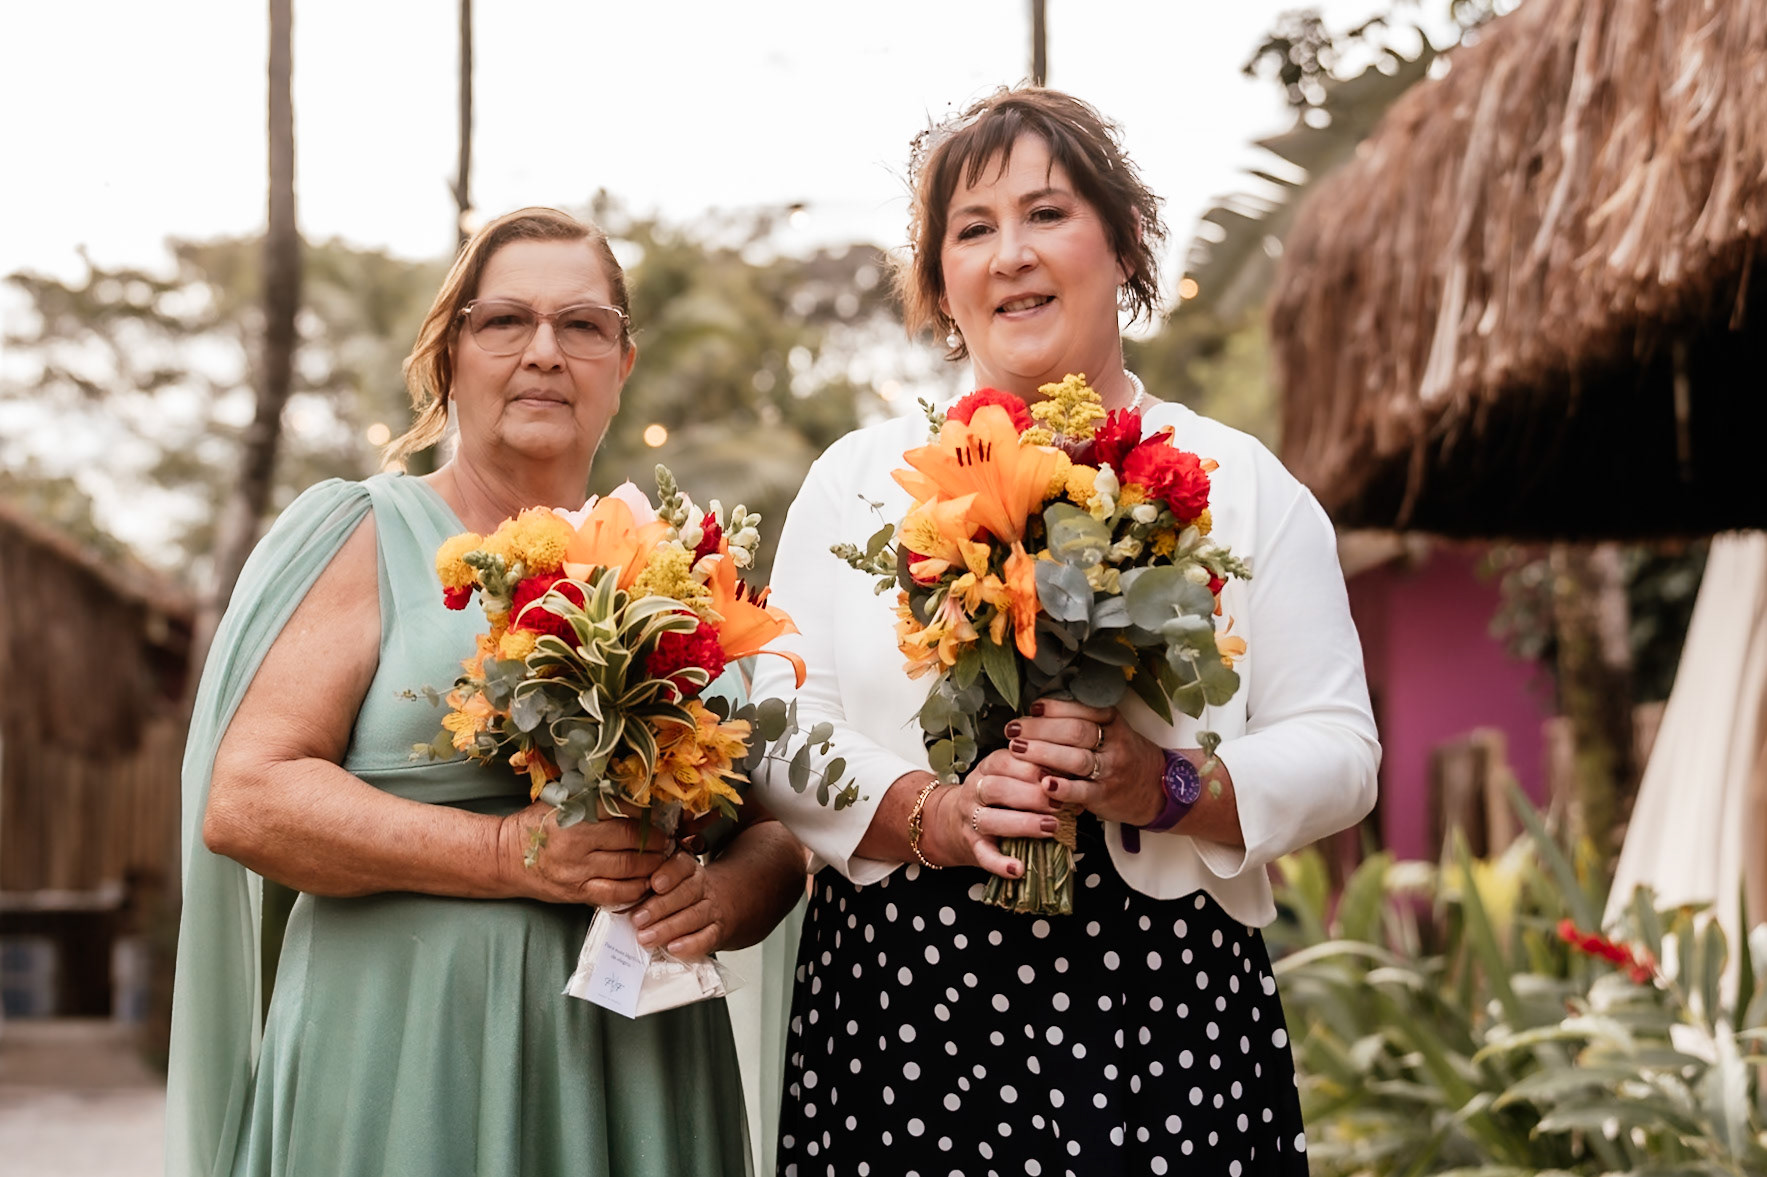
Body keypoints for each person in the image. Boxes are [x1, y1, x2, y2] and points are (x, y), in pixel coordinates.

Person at [752, 88, 1379, 1175]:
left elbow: (1339, 748)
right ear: (942, 278)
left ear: (1125, 241)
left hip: (1167, 995)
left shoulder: (1240, 484)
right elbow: (773, 725)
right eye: (973, 229)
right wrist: (928, 811)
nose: (1011, 256)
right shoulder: (856, 481)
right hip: (908, 994)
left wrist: (1168, 785)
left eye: (1047, 214)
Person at [166, 207, 807, 1177]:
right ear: (449, 355)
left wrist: (720, 895)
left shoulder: (683, 577)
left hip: (634, 1067)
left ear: (622, 363)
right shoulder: (364, 534)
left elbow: (773, 834)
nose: (545, 351)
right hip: (403, 1055)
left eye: (583, 325)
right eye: (506, 321)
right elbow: (247, 798)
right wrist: (509, 851)